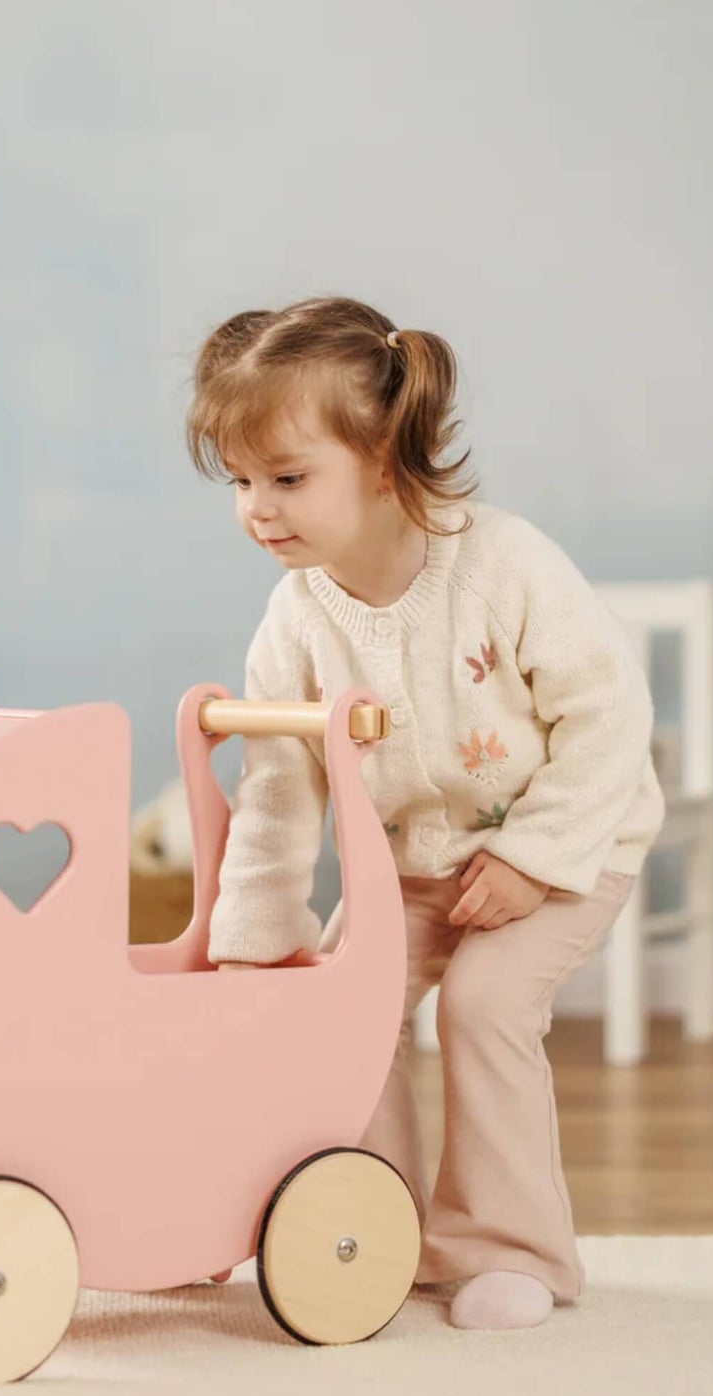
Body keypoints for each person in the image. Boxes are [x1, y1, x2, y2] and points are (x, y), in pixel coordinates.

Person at [187, 295, 664, 1330]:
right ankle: (374, 1223)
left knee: (484, 1003)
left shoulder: (502, 565)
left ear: (382, 457)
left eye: (286, 476)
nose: (256, 508)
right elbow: (277, 780)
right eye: (238, 481)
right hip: (407, 865)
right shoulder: (298, 613)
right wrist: (257, 939)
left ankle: (509, 1246)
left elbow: (608, 717)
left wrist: (537, 858)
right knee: (341, 1004)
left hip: (569, 838)